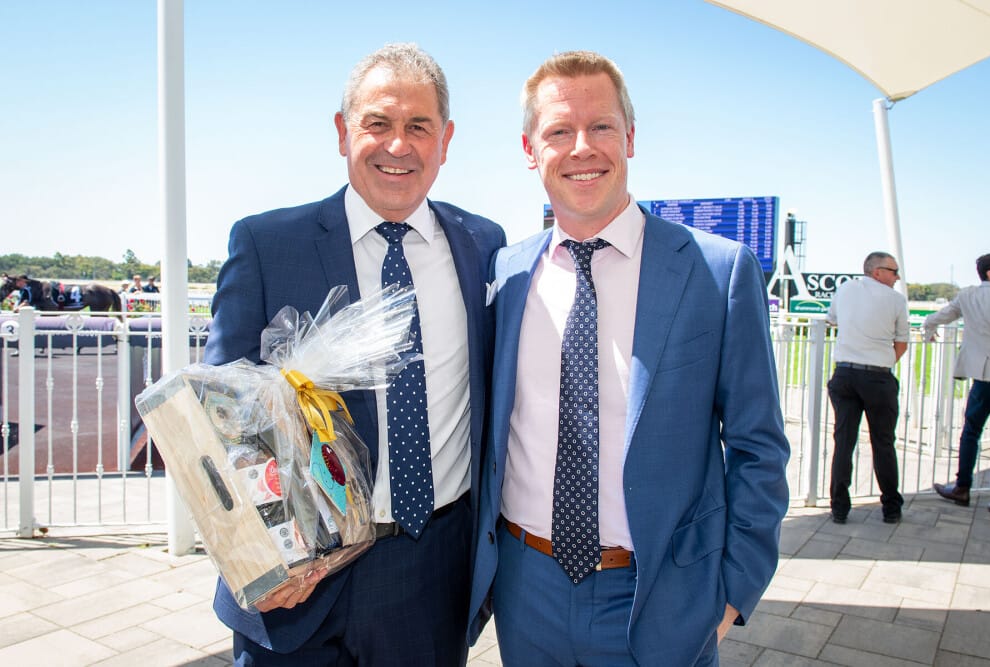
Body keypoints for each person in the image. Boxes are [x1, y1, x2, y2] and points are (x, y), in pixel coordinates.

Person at [466, 51, 789, 666]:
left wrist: (731, 594)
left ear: (630, 138)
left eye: (602, 127)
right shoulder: (506, 273)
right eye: (559, 131)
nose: (582, 147)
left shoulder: (717, 272)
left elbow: (758, 446)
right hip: (525, 587)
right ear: (531, 150)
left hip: (662, 594)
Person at [204, 43, 505, 665]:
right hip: (296, 583)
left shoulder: (483, 245)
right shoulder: (266, 243)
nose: (399, 145)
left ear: (445, 140)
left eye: (419, 126)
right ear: (344, 132)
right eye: (378, 123)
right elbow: (212, 420)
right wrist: (257, 558)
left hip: (430, 572)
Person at [826, 252, 908, 524]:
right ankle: (891, 508)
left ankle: (839, 507)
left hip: (845, 374)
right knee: (883, 443)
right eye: (893, 271)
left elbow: (832, 319)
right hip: (877, 378)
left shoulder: (845, 289)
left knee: (844, 442)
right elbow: (902, 343)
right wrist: (882, 362)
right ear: (877, 272)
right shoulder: (896, 300)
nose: (897, 277)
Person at [927, 253, 990, 514]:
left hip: (984, 375)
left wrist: (928, 329)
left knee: (971, 431)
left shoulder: (968, 295)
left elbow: (942, 315)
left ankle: (962, 487)